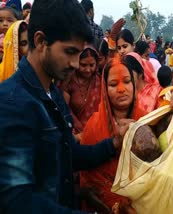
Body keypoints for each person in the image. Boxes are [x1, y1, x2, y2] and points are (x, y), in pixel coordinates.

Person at [0, 0, 131, 213]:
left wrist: (114, 144)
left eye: (79, 54)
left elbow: (69, 155)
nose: (76, 64)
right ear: (41, 41)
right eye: (69, 52)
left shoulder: (53, 94)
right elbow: (16, 200)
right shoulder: (12, 103)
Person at [80, 59, 146, 212]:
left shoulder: (147, 121)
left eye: (127, 81)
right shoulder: (94, 126)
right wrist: (114, 203)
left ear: (134, 85)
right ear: (104, 89)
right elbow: (88, 178)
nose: (122, 89)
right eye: (114, 84)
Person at [60, 46, 101, 141]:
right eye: (83, 65)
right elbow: (64, 109)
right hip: (75, 134)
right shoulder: (69, 81)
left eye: (92, 65)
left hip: (97, 133)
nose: (88, 70)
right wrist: (80, 132)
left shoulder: (100, 81)